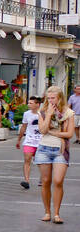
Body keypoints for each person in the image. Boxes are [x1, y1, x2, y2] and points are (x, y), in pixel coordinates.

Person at [37, 86, 75, 223]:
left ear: (60, 98)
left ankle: (57, 213)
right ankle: (47, 212)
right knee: (46, 181)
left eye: (53, 98)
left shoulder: (69, 113)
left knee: (58, 181)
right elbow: (42, 130)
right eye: (49, 98)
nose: (51, 100)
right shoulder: (42, 112)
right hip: (44, 150)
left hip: (60, 150)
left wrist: (53, 132)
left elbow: (69, 134)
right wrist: (48, 115)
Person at [17, 96, 41, 190]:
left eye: (31, 103)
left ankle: (42, 179)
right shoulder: (26, 114)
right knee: (27, 160)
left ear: (37, 104)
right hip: (29, 140)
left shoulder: (43, 113)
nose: (28, 105)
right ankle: (26, 181)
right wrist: (19, 139)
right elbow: (24, 127)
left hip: (41, 141)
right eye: (28, 103)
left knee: (41, 162)